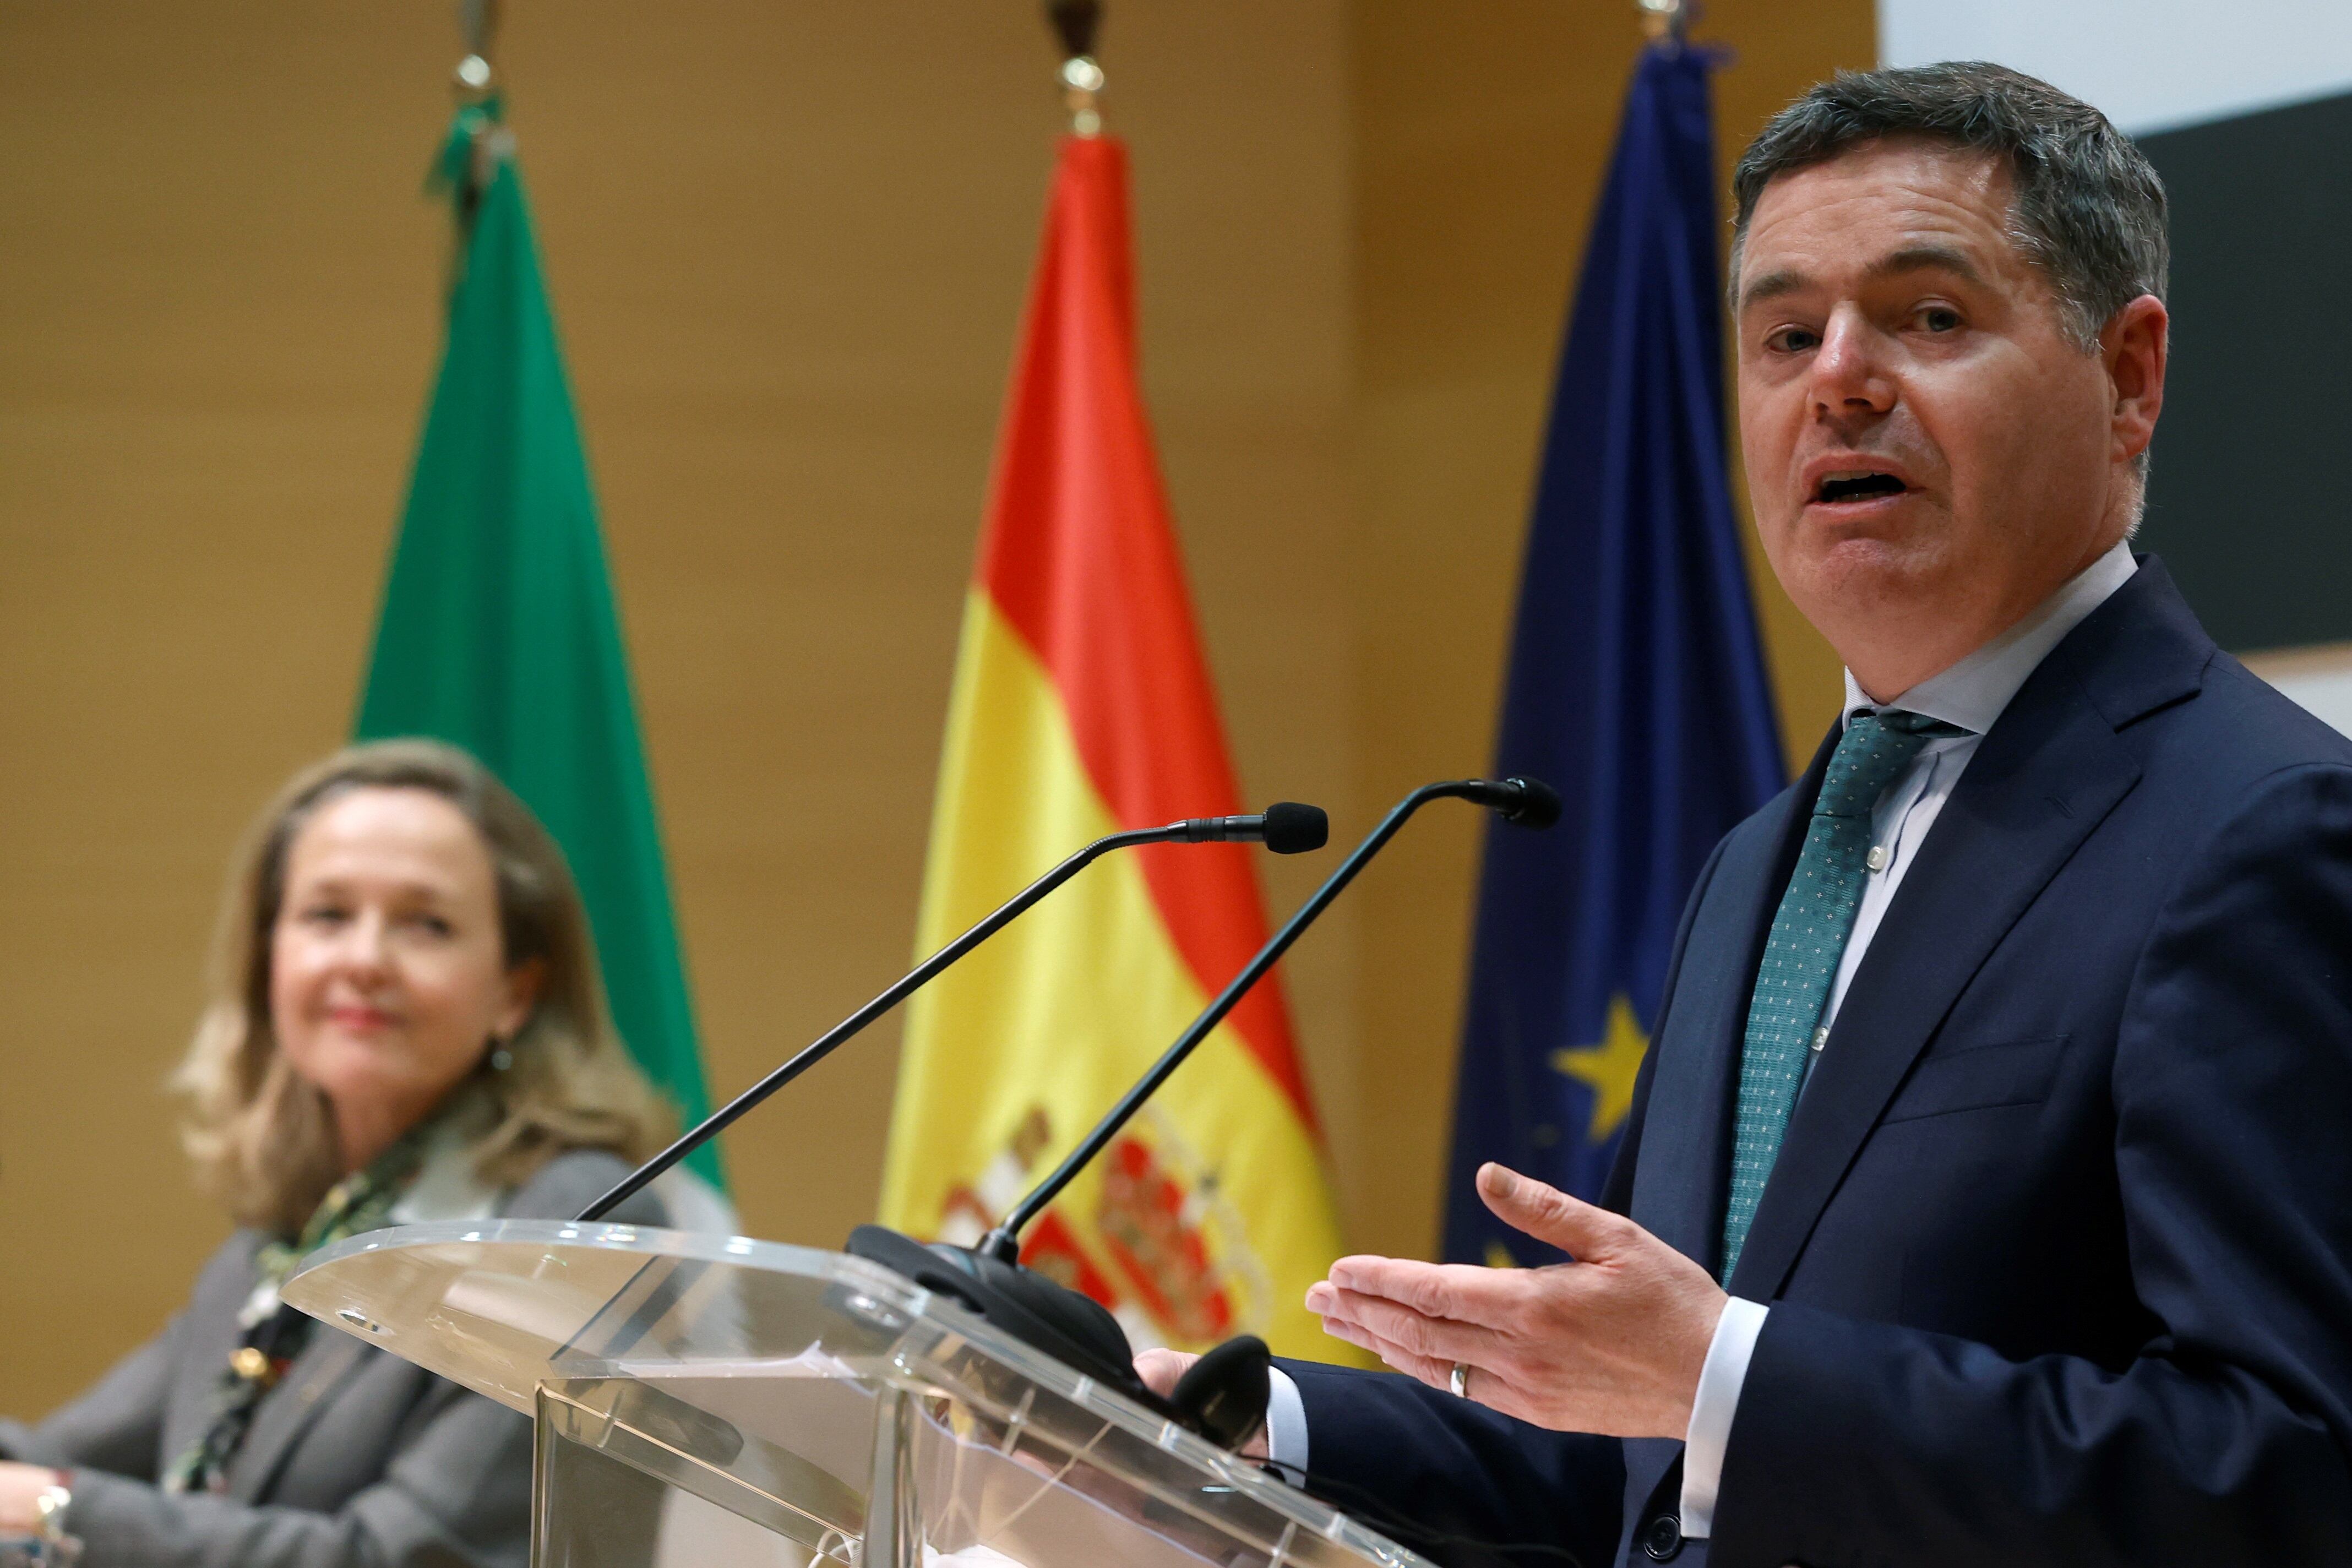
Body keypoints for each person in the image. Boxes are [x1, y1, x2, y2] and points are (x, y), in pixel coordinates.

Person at [1143, 63, 2352, 1566]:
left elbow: (2293, 1472)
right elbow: (1646, 1465)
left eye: (1928, 317)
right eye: (1786, 334)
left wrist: (1722, 1373)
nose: (1838, 378)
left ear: (2130, 377)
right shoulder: (1761, 863)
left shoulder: (2269, 831)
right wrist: (1223, 1425)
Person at [0, 740, 677, 1568]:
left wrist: (54, 1510)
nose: (363, 959)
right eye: (327, 915)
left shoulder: (574, 1222)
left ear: (515, 992)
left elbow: (400, 1558)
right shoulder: (287, 1237)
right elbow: (50, 1458)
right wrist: (39, 1494)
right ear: (269, 962)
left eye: (426, 924)